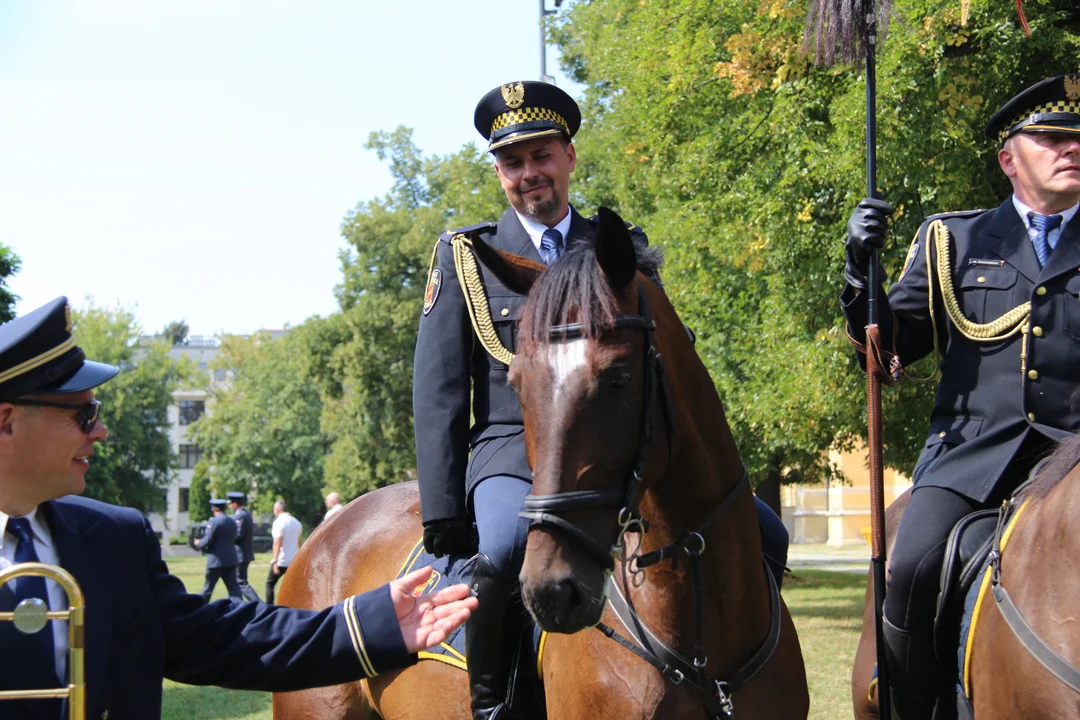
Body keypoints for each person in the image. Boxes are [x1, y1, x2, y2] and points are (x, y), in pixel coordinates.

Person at [413, 80, 790, 720]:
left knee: (767, 533)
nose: (529, 174)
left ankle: (731, 675)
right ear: (500, 172)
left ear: (569, 157)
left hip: (616, 450)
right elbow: (440, 392)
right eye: (513, 162)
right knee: (505, 552)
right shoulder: (468, 257)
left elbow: (668, 365)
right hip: (514, 454)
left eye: (541, 156)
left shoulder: (620, 250)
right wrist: (444, 511)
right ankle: (495, 704)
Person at [0, 297, 477, 720]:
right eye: (83, 414)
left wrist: (370, 626)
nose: (99, 431)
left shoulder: (111, 538)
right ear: (7, 419)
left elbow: (217, 639)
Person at [841, 73, 1080, 719]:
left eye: (1079, 140)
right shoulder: (956, 240)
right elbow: (887, 355)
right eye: (1052, 138)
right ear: (1009, 159)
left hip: (1078, 455)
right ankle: (911, 707)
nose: (1072, 149)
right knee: (912, 566)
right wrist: (858, 276)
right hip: (975, 456)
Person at [193, 498, 242, 602]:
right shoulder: (232, 521)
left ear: (214, 509)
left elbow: (208, 539)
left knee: (207, 589)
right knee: (234, 590)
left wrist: (198, 543)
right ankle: (241, 610)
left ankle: (200, 610)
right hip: (230, 560)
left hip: (216, 561)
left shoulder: (214, 521)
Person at [266, 498, 302, 603]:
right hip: (293, 560)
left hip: (282, 560)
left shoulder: (279, 522)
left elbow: (277, 542)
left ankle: (270, 608)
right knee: (292, 587)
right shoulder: (297, 522)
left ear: (277, 510)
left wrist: (274, 561)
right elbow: (299, 543)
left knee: (270, 584)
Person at [227, 490, 260, 601]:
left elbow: (237, 534)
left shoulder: (240, 515)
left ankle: (259, 604)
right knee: (236, 582)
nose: (230, 506)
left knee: (240, 581)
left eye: (231, 503)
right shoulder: (246, 513)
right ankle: (236, 605)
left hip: (240, 554)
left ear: (235, 503)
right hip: (244, 553)